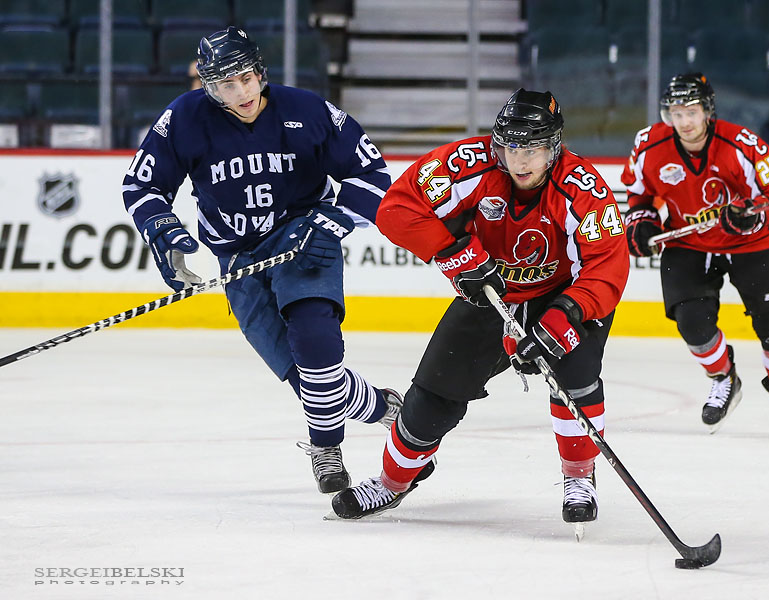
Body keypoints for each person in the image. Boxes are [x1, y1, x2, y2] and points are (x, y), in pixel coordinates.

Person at [328, 89, 630, 527]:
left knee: (576, 380)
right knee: (431, 396)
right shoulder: (469, 163)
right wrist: (452, 252)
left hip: (564, 297)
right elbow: (397, 207)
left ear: (554, 146)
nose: (520, 161)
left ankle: (579, 478)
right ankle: (392, 483)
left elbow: (607, 266)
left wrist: (566, 315)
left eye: (533, 149)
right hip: (490, 295)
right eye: (511, 147)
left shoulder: (583, 188)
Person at [122, 26, 401, 493]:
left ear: (260, 73)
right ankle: (381, 406)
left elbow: (372, 174)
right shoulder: (184, 119)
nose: (241, 92)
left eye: (246, 78)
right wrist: (163, 232)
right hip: (236, 256)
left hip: (301, 237)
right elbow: (142, 186)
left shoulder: (307, 109)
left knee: (315, 344)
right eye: (225, 85)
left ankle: (326, 448)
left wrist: (332, 220)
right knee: (303, 375)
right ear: (208, 87)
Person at [620, 72, 769, 435]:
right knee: (693, 325)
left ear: (708, 111)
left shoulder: (743, 145)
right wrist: (641, 221)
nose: (684, 122)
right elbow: (639, 194)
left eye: (692, 112)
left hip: (752, 243)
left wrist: (752, 214)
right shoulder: (649, 145)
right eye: (676, 113)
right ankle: (723, 378)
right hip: (689, 243)